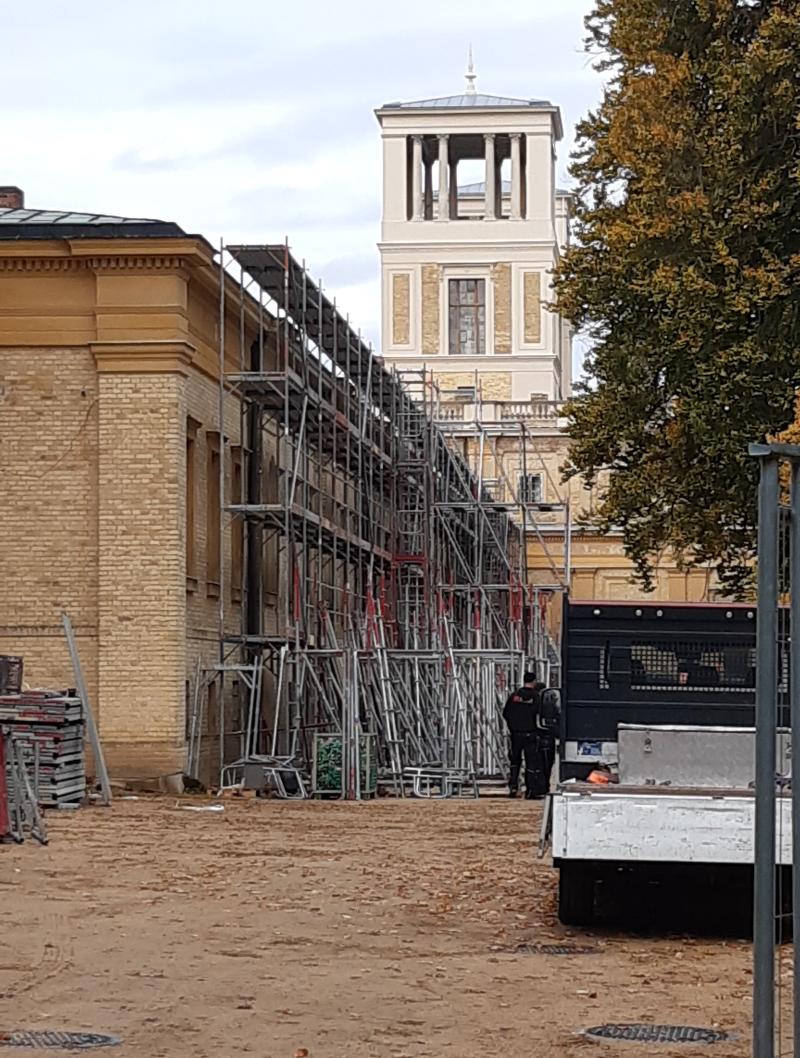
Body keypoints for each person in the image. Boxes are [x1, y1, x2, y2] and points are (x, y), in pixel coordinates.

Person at [502, 672, 547, 800]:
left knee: (515, 761)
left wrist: (513, 725)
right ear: (534, 681)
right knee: (531, 763)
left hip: (516, 734)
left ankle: (513, 786)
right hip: (530, 733)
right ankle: (530, 789)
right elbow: (539, 714)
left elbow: (505, 713)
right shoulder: (536, 697)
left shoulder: (514, 696)